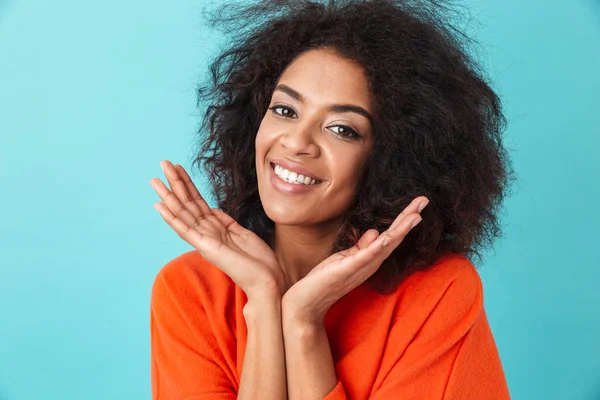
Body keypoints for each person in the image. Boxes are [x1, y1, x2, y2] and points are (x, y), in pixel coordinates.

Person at [148, 0, 516, 399]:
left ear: (390, 158)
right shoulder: (191, 290)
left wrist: (303, 322)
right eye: (285, 109)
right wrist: (265, 301)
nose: (296, 142)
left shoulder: (437, 293)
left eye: (342, 129)